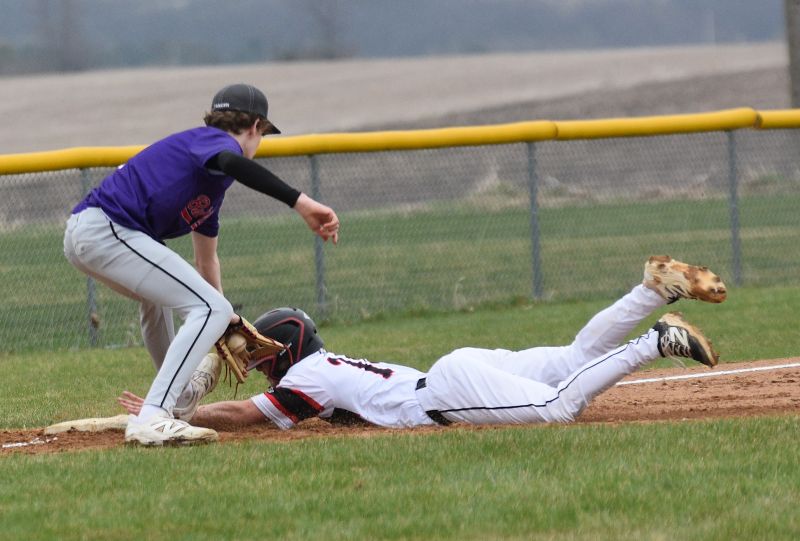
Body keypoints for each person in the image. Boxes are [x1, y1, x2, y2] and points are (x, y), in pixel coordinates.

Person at [118, 256, 727, 432]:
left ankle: (655, 339)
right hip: (452, 372)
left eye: (256, 353)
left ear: (283, 352)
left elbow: (246, 415)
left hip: (445, 392)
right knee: (571, 358)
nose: (249, 363)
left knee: (559, 406)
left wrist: (177, 415)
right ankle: (651, 291)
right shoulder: (326, 370)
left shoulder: (311, 378)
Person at [64, 83, 340, 446]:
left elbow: (206, 261)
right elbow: (233, 161)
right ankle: (154, 415)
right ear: (256, 126)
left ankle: (175, 403)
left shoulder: (209, 187)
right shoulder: (214, 144)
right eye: (263, 135)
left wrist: (224, 326)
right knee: (208, 307)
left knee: (168, 301)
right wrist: (300, 202)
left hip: (96, 235)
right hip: (106, 228)